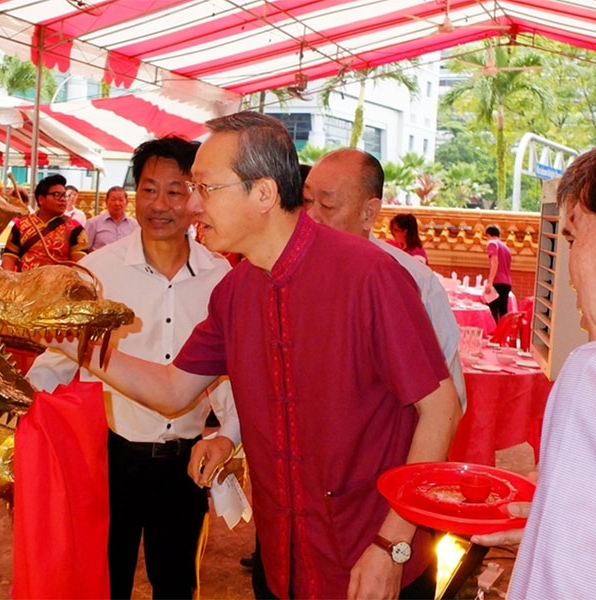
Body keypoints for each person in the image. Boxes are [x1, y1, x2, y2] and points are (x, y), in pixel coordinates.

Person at [52, 112, 460, 599]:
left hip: (368, 559)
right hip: (283, 557)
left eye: (206, 188)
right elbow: (172, 389)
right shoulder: (235, 291)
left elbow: (441, 407)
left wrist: (391, 544)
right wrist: (69, 340)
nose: (193, 206)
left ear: (263, 193)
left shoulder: (369, 275)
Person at [28, 137, 239, 599]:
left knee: (177, 584)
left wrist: (228, 435)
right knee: (104, 582)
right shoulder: (96, 274)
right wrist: (21, 426)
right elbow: (55, 363)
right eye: (148, 189)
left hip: (185, 464)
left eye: (175, 191)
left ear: (197, 197)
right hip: (108, 460)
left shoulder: (220, 277)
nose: (159, 205)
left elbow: (230, 376)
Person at [470, 148, 596, 598]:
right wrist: (553, 527)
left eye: (573, 238)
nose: (570, 272)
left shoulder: (586, 376)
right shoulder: (583, 370)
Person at [304, 148, 467, 412]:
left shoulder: (414, 281)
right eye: (307, 201)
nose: (310, 216)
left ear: (369, 213)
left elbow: (447, 403)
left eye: (327, 205)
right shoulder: (289, 271)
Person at [1, 174, 88, 271]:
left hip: (59, 280)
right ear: (41, 199)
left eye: (64, 195)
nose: (63, 199)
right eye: (56, 195)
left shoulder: (75, 228)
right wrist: (8, 277)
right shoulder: (21, 225)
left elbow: (80, 266)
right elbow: (9, 257)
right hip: (25, 279)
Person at [85, 186, 138, 250]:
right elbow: (84, 250)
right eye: (113, 200)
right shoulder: (93, 223)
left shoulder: (134, 225)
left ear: (126, 202)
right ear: (106, 201)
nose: (117, 203)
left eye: (121, 200)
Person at [484, 224, 512, 322]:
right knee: (503, 311)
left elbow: (494, 262)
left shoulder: (492, 243)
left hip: (497, 281)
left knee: (492, 311)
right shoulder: (506, 248)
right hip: (507, 282)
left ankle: (494, 331)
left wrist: (490, 282)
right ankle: (504, 331)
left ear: (488, 235)